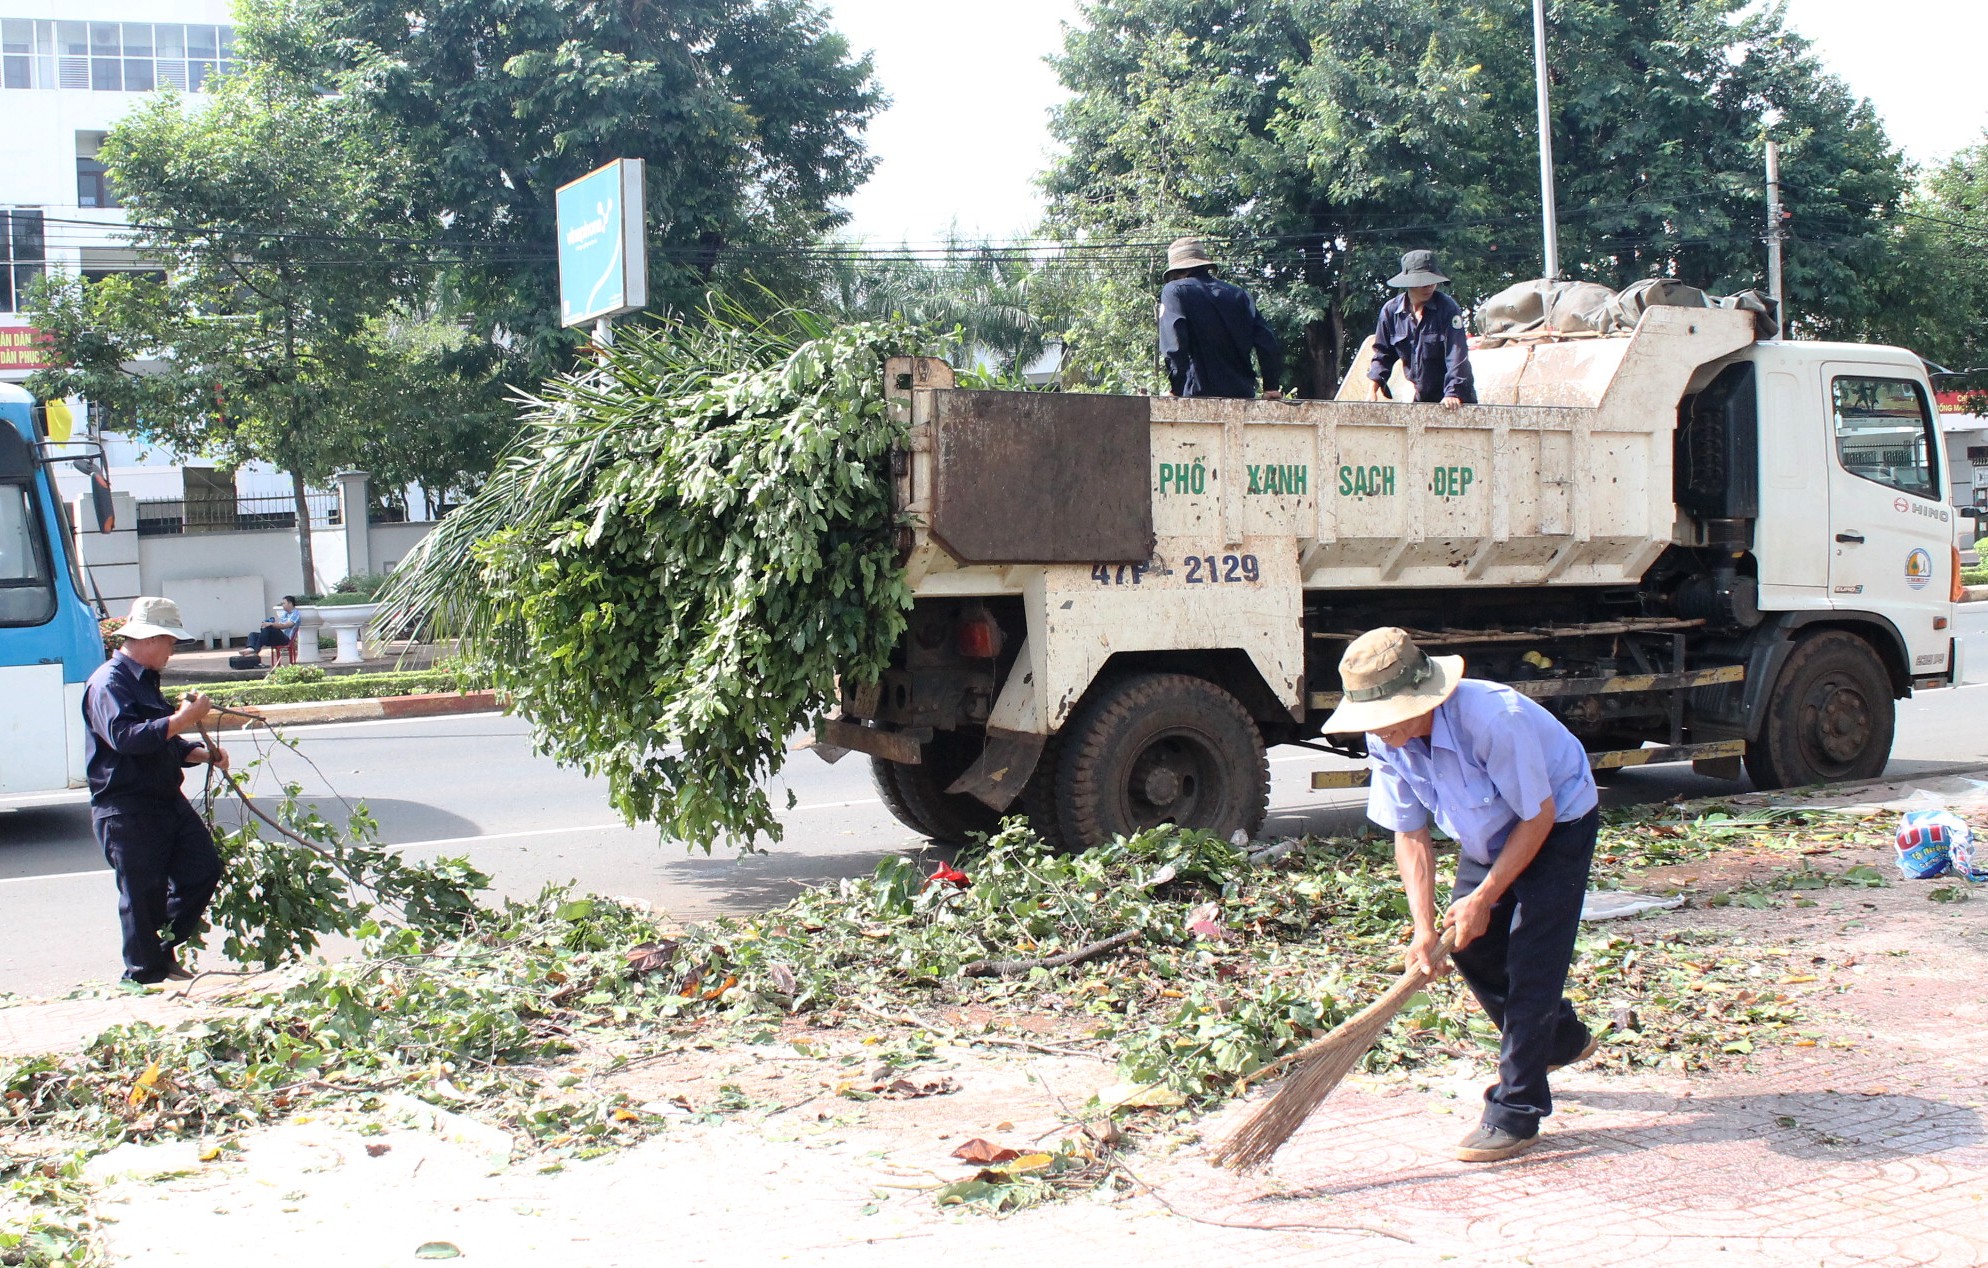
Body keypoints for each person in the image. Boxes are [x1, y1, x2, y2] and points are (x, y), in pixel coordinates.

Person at [1322, 626, 1599, 1163]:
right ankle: (1560, 1040)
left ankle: (1516, 1112)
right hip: (1487, 832)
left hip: (1556, 821)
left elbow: (1536, 814)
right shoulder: (1387, 738)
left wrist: (1488, 894)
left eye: (1389, 715)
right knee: (1469, 946)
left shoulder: (1494, 720)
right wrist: (1425, 929)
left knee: (1532, 962)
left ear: (1424, 699)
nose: (1379, 729)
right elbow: (1410, 832)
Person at [83, 596, 230, 984]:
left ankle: (158, 948)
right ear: (150, 639)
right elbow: (126, 738)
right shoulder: (108, 683)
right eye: (169, 641)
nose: (171, 650)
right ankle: (144, 975)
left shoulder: (146, 681)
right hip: (126, 806)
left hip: (165, 799)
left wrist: (200, 753)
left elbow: (161, 738)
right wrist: (183, 719)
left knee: (203, 870)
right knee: (142, 896)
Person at [1157, 236, 1283, 400]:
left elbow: (1175, 343)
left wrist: (1176, 387)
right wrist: (1271, 386)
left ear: (1174, 272)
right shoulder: (1240, 295)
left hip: (1196, 397)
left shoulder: (1174, 291)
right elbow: (1267, 343)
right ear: (1204, 265)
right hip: (1242, 396)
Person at [1366, 250, 1476, 410]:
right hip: (1419, 401)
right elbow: (1382, 355)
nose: (1430, 286)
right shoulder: (1390, 312)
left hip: (1455, 402)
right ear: (1409, 282)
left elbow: (1457, 354)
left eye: (1432, 281)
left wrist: (1453, 393)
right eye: (1423, 282)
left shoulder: (1448, 309)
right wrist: (1372, 391)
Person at [247, 595, 301, 666]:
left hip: (286, 639)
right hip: (277, 637)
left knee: (269, 627)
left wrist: (270, 624)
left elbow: (284, 626)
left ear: (290, 603)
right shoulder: (285, 614)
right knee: (253, 634)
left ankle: (255, 651)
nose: (282, 605)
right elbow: (279, 624)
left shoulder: (295, 614)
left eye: (284, 603)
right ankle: (250, 648)